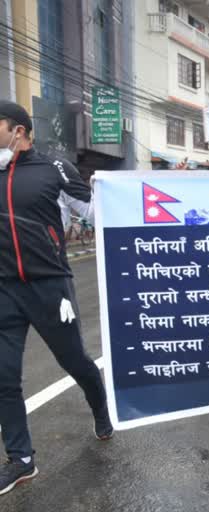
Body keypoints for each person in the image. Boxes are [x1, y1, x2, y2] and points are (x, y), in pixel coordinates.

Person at [0, 101, 113, 496]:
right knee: (3, 376)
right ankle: (21, 460)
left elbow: (100, 212)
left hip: (51, 288)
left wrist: (124, 195)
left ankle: (99, 407)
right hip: (4, 290)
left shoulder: (56, 169)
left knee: (75, 361)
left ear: (19, 130)